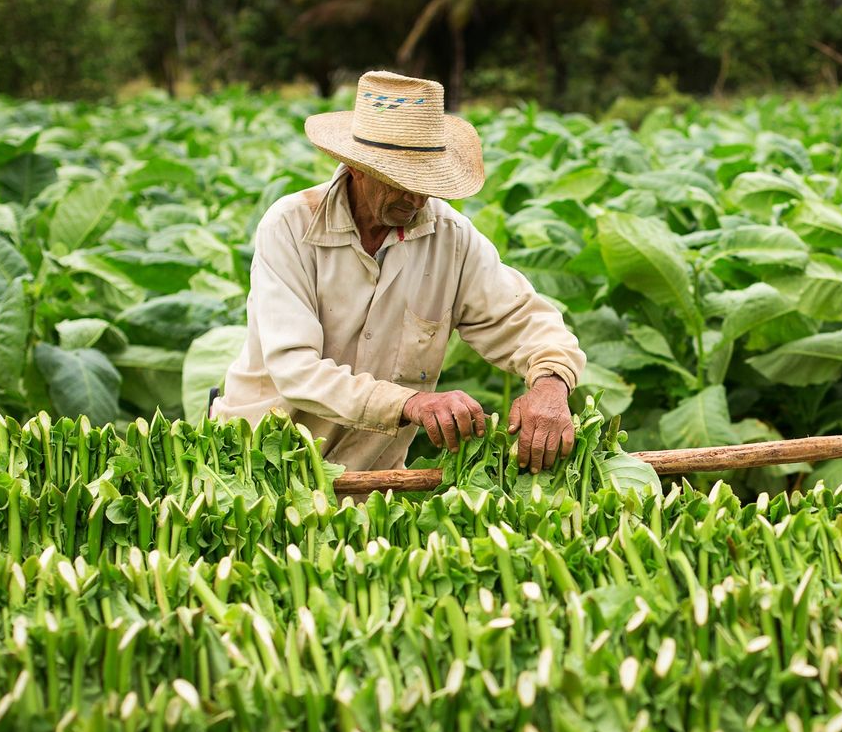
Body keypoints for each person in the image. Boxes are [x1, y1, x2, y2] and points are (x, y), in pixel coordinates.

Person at [211, 71, 585, 474]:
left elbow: (523, 320)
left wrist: (550, 384)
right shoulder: (291, 226)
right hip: (258, 472)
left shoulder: (451, 237)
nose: (415, 197)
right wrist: (411, 402)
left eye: (425, 181)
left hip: (372, 478)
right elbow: (295, 370)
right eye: (399, 181)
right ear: (356, 168)